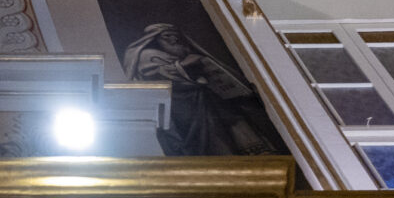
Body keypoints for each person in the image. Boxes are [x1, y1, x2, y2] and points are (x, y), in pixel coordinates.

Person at [120, 25, 284, 157]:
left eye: (175, 35)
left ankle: (252, 151)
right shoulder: (148, 54)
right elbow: (159, 74)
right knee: (210, 134)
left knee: (230, 121)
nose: (173, 39)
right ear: (154, 39)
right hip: (179, 103)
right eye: (167, 36)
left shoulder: (183, 51)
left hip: (203, 99)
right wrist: (184, 65)